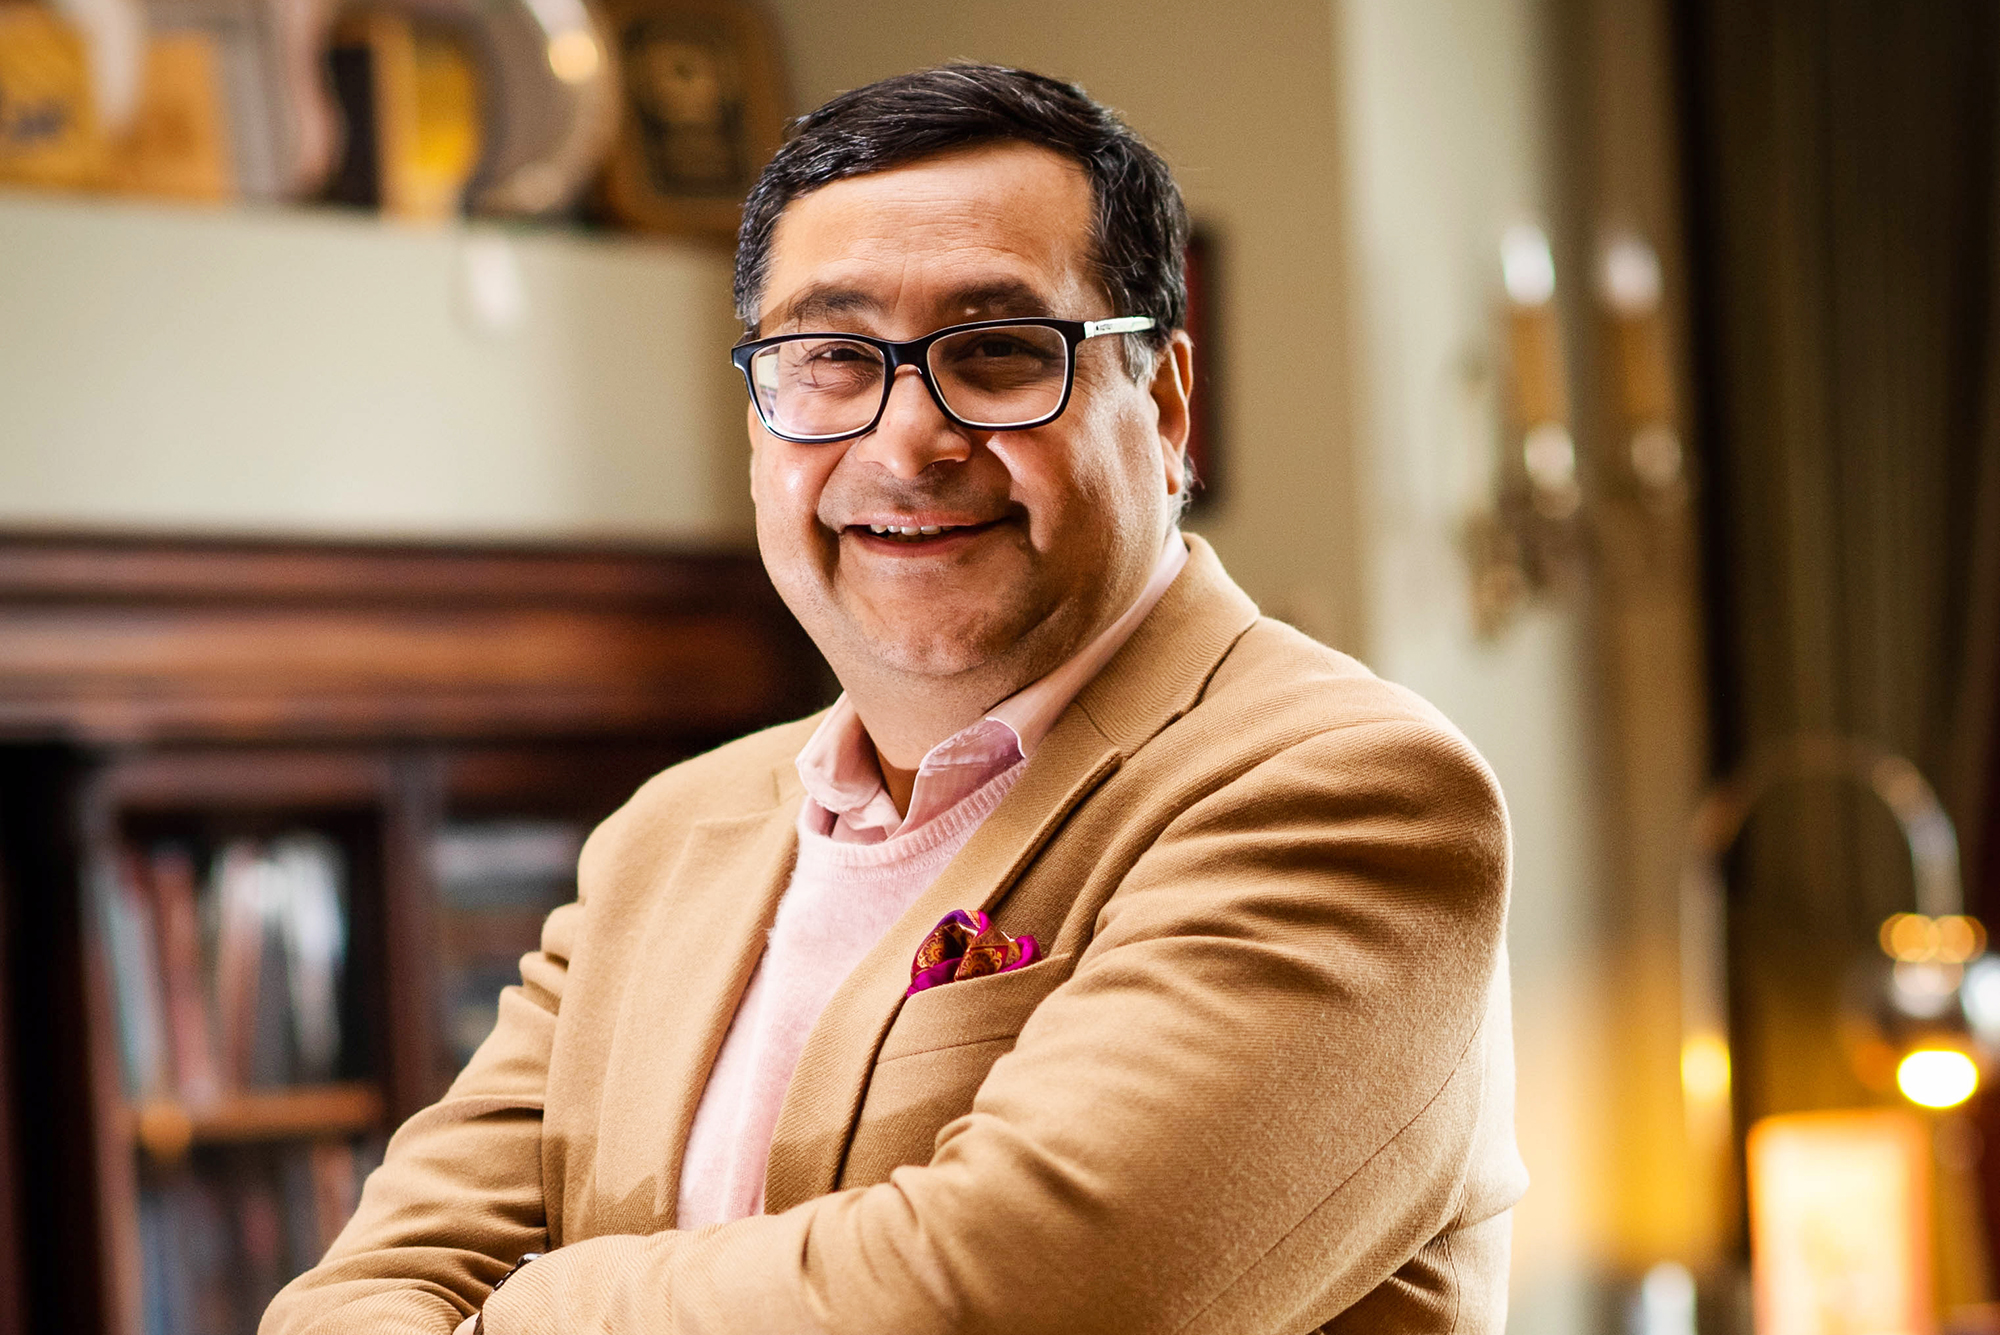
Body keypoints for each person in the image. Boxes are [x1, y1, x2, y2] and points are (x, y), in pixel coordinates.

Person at [263, 63, 1526, 1335]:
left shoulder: (1342, 796)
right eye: (828, 359)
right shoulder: (663, 839)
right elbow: (358, 1299)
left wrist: (535, 1312)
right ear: (759, 420)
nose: (906, 438)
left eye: (995, 353)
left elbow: (1004, 1296)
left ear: (1166, 409)